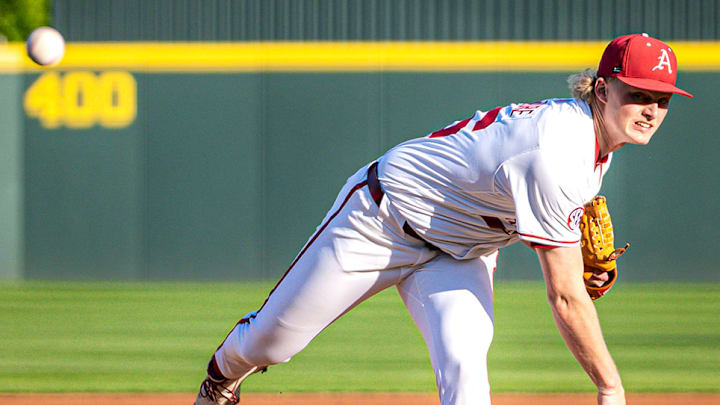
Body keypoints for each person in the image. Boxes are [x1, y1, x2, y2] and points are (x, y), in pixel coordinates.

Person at [193, 33, 692, 405]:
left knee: (466, 375)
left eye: (662, 99)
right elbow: (564, 296)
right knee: (272, 343)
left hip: (459, 254)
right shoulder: (559, 149)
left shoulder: (590, 139)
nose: (651, 110)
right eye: (639, 94)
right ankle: (220, 378)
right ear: (602, 90)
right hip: (380, 220)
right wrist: (610, 388)